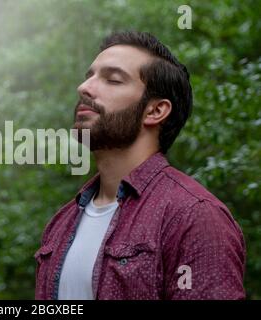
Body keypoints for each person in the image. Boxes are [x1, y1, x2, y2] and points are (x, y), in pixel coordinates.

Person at [34, 31, 245, 300]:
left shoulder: (193, 217)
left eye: (112, 79)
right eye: (90, 76)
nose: (84, 87)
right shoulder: (63, 221)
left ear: (155, 111)